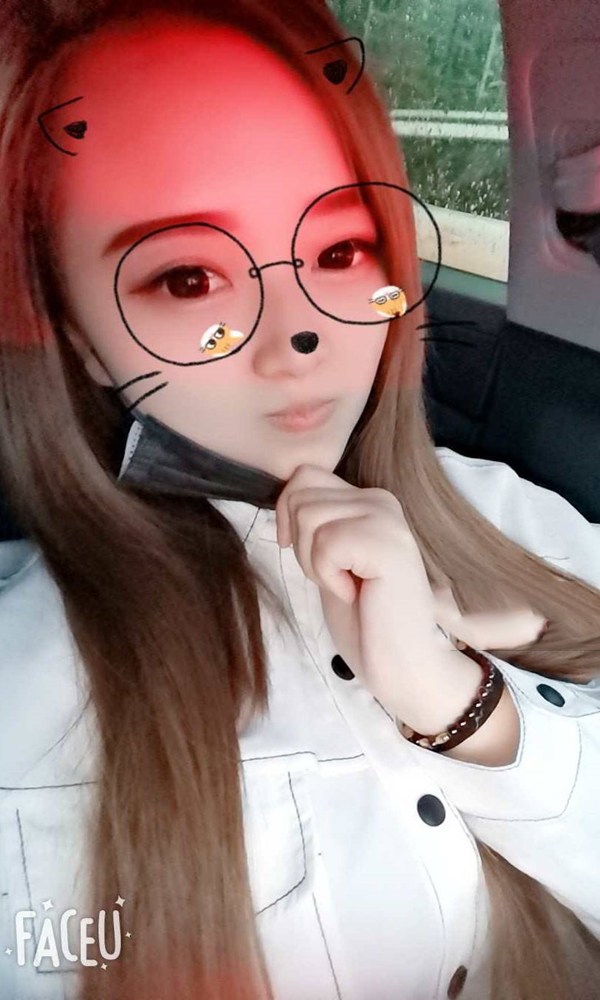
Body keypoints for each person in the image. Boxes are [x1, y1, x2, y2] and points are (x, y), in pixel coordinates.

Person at [0, 2, 600, 999]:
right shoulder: (26, 696)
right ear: (74, 335)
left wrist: (466, 706)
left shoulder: (513, 515)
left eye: (339, 253)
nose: (299, 341)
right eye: (187, 278)